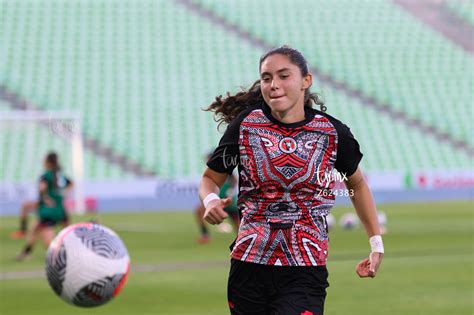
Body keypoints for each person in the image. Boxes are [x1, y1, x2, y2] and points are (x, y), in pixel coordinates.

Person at [199, 46, 384, 315]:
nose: (274, 85)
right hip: (248, 268)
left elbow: (356, 185)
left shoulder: (332, 133)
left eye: (284, 76)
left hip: (305, 269)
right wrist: (211, 199)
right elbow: (210, 179)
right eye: (266, 78)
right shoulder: (244, 127)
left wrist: (375, 244)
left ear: (305, 81)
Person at [16, 152, 73, 261]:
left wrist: (45, 198)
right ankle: (26, 253)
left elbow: (42, 189)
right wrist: (63, 194)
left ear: (48, 162)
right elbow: (71, 183)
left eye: (44, 160)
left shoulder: (46, 175)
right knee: (34, 228)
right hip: (60, 208)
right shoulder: (59, 175)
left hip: (48, 210)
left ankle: (61, 257)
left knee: (47, 239)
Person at [195, 171, 240, 243]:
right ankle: (205, 235)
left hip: (227, 200)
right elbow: (206, 182)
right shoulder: (212, 170)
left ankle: (243, 238)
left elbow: (234, 179)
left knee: (237, 222)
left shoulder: (226, 167)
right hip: (215, 200)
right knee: (199, 211)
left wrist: (230, 191)